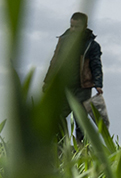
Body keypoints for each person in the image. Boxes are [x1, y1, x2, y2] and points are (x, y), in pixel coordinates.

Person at [43, 11, 110, 141]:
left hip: (83, 87)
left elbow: (96, 64)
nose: (73, 29)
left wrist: (98, 83)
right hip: (64, 86)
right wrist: (47, 81)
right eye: (71, 26)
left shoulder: (92, 45)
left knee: (80, 119)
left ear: (84, 26)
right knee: (59, 116)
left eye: (76, 27)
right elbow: (54, 62)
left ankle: (81, 148)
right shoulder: (63, 41)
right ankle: (62, 147)